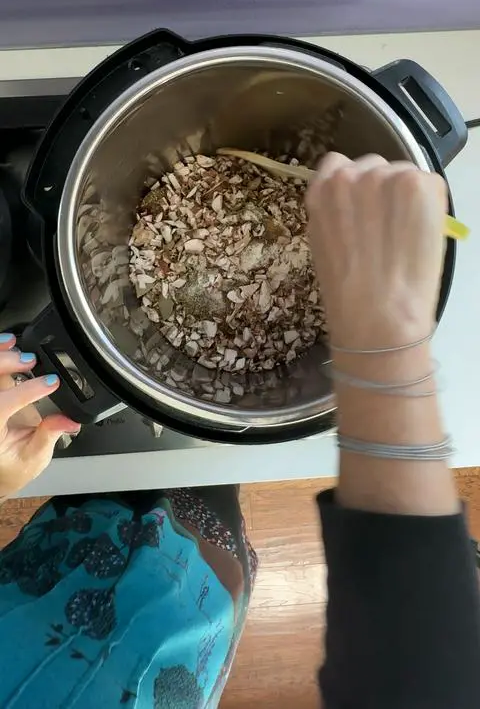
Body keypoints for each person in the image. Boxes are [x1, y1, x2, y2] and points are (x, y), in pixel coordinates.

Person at [0, 152, 478, 708]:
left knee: (122, 509)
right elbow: (416, 676)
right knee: (201, 516)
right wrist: (383, 334)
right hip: (175, 642)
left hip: (34, 589)